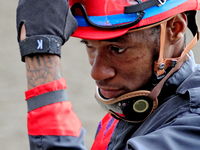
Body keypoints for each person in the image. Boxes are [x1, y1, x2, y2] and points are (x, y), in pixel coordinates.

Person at [16, 0, 200, 149]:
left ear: (174, 28)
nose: (97, 73)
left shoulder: (193, 125)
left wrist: (40, 53)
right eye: (89, 45)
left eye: (117, 49)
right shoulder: (134, 105)